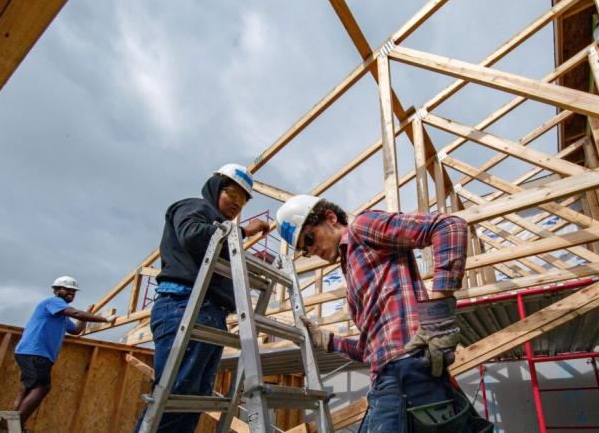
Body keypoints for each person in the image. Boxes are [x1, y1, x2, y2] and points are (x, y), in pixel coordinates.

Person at [276, 195, 493, 433]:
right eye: (304, 250)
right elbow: (370, 351)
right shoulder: (351, 270)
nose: (311, 249)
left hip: (408, 368)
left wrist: (437, 317)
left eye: (309, 238)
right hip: (386, 377)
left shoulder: (362, 227)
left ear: (331, 218)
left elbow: (449, 227)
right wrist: (328, 341)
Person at [133, 164, 270, 433]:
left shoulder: (220, 229)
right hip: (183, 306)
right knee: (175, 398)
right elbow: (194, 235)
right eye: (233, 194)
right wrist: (243, 231)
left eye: (243, 200)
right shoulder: (194, 207)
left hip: (208, 312)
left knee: (191, 403)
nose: (237, 204)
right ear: (216, 187)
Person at [13, 276, 117, 427]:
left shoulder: (60, 315)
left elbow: (76, 330)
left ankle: (9, 425)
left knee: (28, 387)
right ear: (56, 290)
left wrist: (87, 314)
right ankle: (15, 426)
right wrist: (105, 319)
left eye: (73, 291)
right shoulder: (53, 302)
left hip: (37, 354)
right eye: (67, 290)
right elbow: (75, 313)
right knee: (42, 387)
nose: (71, 293)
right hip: (35, 352)